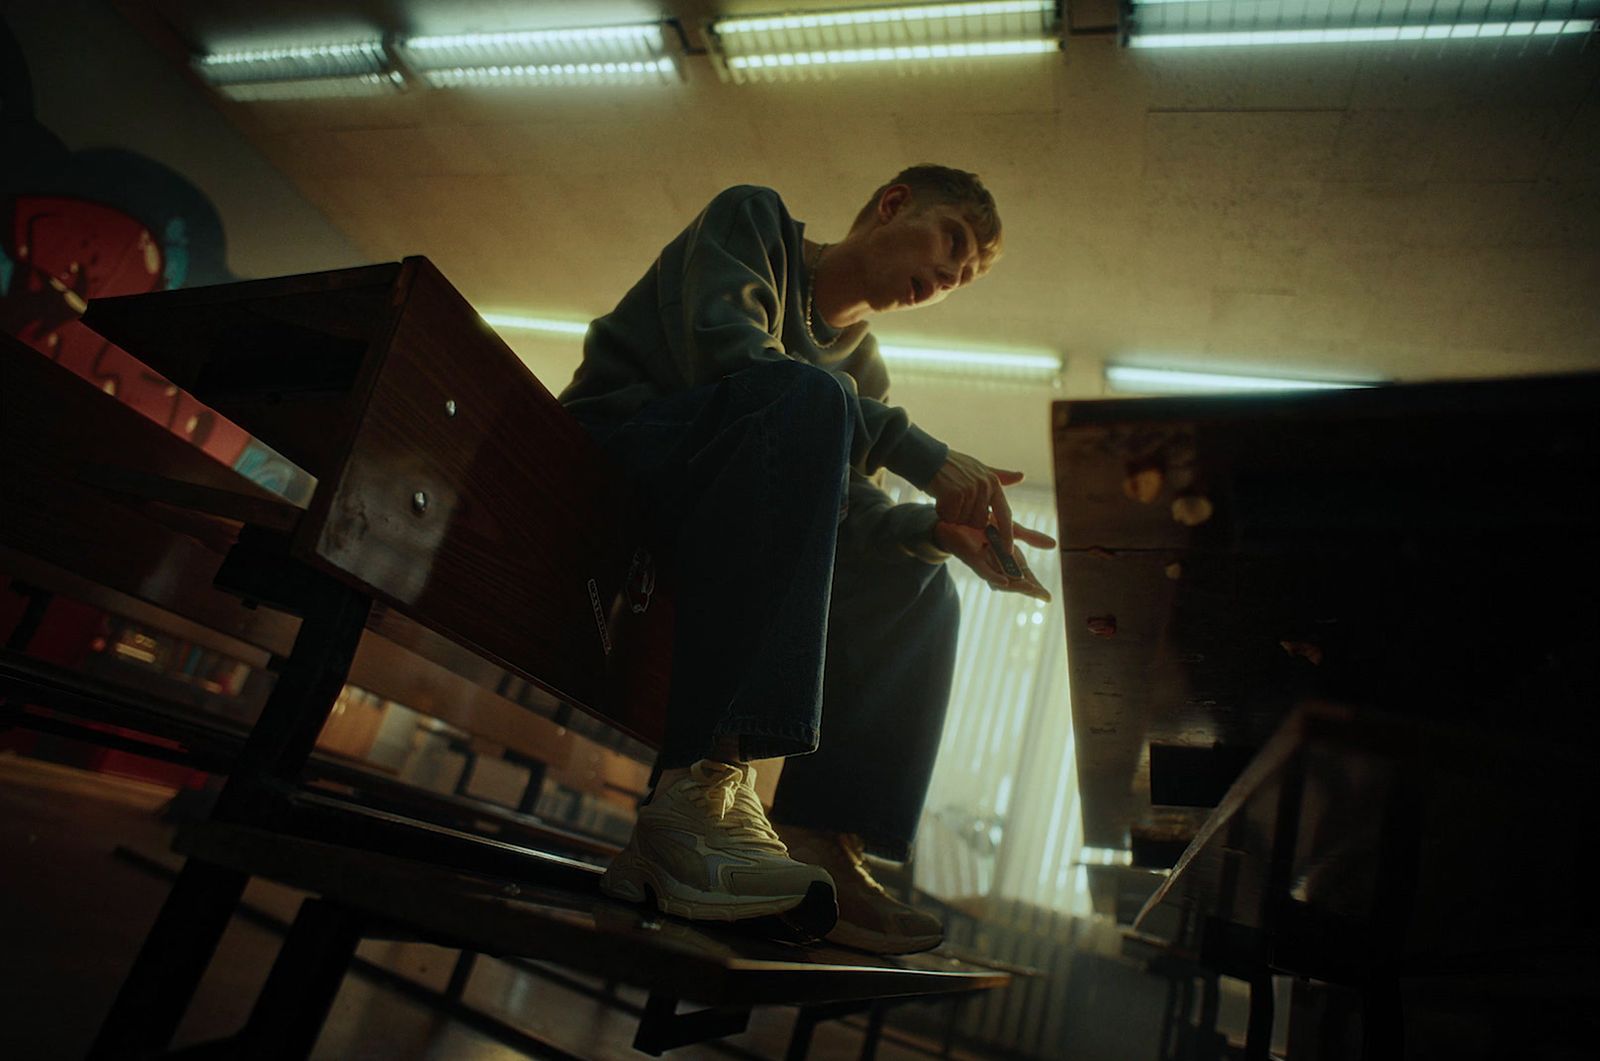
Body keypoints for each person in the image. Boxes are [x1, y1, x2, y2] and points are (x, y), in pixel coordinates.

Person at [559, 164, 1055, 954]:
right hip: (609, 469)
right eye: (948, 242)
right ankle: (701, 796)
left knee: (919, 580)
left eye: (961, 278)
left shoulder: (865, 373)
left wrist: (934, 534)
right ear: (893, 205)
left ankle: (820, 835)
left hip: (713, 527)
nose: (945, 278)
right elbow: (731, 354)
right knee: (804, 395)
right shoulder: (752, 221)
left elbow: (848, 520)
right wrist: (917, 449)